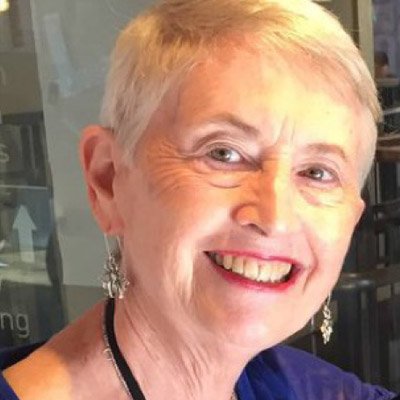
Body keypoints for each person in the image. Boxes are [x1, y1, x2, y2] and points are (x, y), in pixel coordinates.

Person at [0, 0, 396, 399]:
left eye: (317, 173)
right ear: (108, 180)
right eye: (223, 153)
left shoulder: (314, 388)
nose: (275, 218)